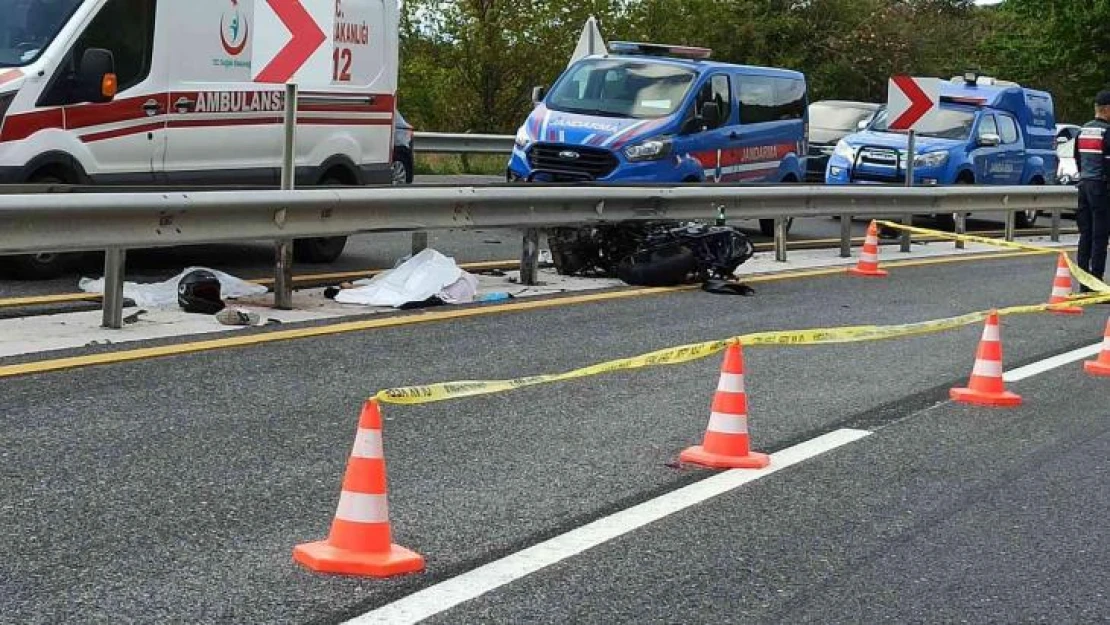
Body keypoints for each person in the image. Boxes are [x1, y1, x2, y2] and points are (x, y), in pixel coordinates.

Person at [1073, 90, 1110, 291]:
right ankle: (1096, 281)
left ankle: (1084, 283)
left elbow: (1078, 159)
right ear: (1107, 109)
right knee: (1100, 236)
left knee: (1085, 234)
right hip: (1100, 188)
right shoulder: (1108, 132)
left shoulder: (1083, 131)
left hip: (1084, 186)